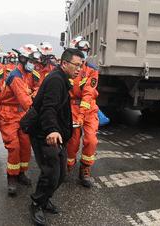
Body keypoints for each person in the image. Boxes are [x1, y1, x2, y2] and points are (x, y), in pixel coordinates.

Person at [27, 48, 84, 226]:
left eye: (81, 66)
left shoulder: (62, 79)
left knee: (60, 174)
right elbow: (48, 108)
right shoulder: (55, 80)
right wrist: (52, 129)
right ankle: (36, 203)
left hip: (56, 135)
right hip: (44, 134)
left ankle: (45, 199)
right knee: (51, 173)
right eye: (76, 65)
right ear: (64, 63)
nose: (79, 69)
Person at [0, 45, 42, 196]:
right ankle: (12, 177)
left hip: (21, 114)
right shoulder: (16, 76)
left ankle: (21, 172)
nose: (34, 64)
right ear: (22, 59)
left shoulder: (28, 74)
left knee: (25, 145)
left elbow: (37, 87)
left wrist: (35, 92)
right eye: (31, 61)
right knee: (14, 146)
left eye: (35, 61)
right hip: (9, 114)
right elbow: (26, 101)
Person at [66, 36, 100, 188]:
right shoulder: (68, 68)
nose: (83, 54)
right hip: (71, 106)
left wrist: (81, 114)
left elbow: (88, 92)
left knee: (91, 140)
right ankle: (68, 166)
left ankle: (85, 169)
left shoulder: (92, 69)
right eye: (80, 51)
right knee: (72, 140)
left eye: (86, 51)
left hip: (88, 108)